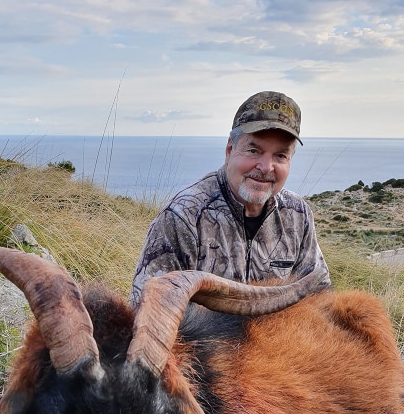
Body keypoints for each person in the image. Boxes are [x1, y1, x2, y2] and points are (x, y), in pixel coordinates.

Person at [131, 91, 330, 305]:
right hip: (203, 338)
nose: (265, 167)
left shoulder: (297, 214)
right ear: (229, 149)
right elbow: (147, 309)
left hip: (280, 336)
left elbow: (319, 294)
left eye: (280, 156)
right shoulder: (183, 216)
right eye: (253, 150)